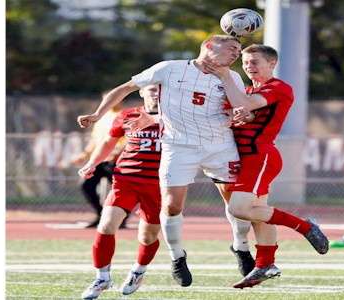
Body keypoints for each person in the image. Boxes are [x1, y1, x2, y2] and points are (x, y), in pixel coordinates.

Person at [76, 35, 255, 287]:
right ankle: (177, 256)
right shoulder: (170, 68)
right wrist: (97, 114)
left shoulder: (232, 76)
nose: (236, 53)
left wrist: (227, 80)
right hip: (179, 147)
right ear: (209, 46)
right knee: (171, 207)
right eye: (232, 48)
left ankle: (241, 246)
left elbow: (243, 108)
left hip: (219, 145)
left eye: (239, 50)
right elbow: (124, 88)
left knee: (236, 203)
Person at [203, 44, 330, 288]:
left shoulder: (279, 87)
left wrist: (226, 77)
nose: (248, 66)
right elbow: (233, 110)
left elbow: (246, 104)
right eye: (245, 62)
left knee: (239, 209)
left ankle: (305, 226)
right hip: (244, 158)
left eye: (254, 62)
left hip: (259, 156)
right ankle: (265, 264)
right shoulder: (247, 89)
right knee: (259, 214)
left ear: (272, 63)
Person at [77, 84, 162, 299]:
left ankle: (138, 271)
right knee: (106, 225)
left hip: (160, 184)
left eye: (161, 89)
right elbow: (108, 141)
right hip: (126, 179)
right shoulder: (127, 115)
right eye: (152, 89)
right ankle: (102, 278)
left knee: (148, 235)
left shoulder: (177, 117)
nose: (156, 93)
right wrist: (92, 164)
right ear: (141, 92)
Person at [71, 99, 129, 228]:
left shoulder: (125, 116)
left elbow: (130, 138)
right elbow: (95, 139)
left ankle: (121, 219)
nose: (110, 102)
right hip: (99, 160)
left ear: (121, 100)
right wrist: (85, 154)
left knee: (120, 191)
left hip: (116, 161)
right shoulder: (102, 118)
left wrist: (119, 152)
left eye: (114, 99)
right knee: (86, 185)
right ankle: (101, 215)